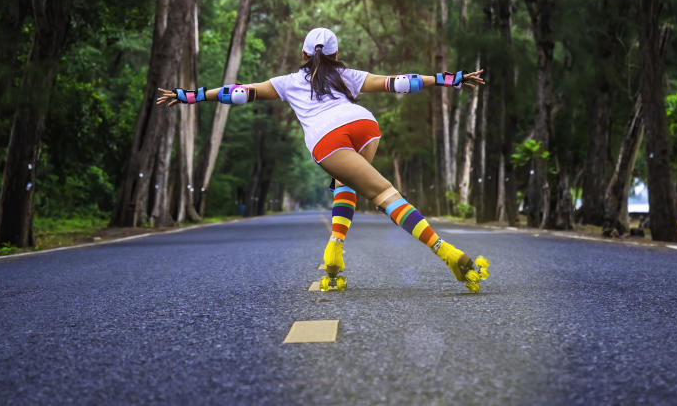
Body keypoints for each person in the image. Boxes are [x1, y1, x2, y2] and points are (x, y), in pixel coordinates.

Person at [156, 27, 489, 293]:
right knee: (351, 185)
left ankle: (446, 253)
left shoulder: (288, 82)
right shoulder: (349, 75)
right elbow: (401, 83)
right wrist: (453, 79)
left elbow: (240, 92)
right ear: (336, 55)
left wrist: (191, 96)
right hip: (365, 126)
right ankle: (335, 253)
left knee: (384, 195)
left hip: (327, 140)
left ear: (302, 54)